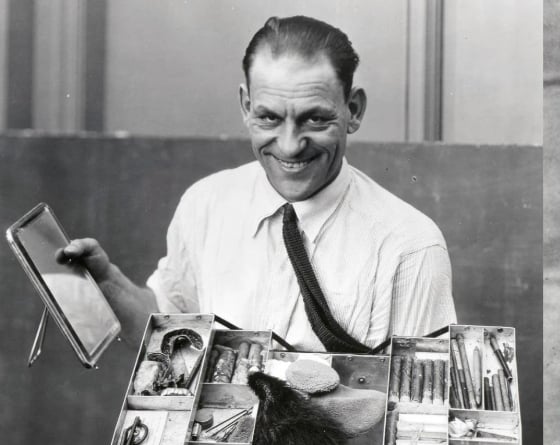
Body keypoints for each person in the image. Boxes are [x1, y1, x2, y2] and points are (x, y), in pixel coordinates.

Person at [62, 15, 455, 352]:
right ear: (246, 106)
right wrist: (108, 282)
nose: (289, 145)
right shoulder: (206, 204)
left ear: (352, 110)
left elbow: (416, 416)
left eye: (315, 119)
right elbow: (168, 334)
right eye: (268, 118)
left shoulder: (411, 246)